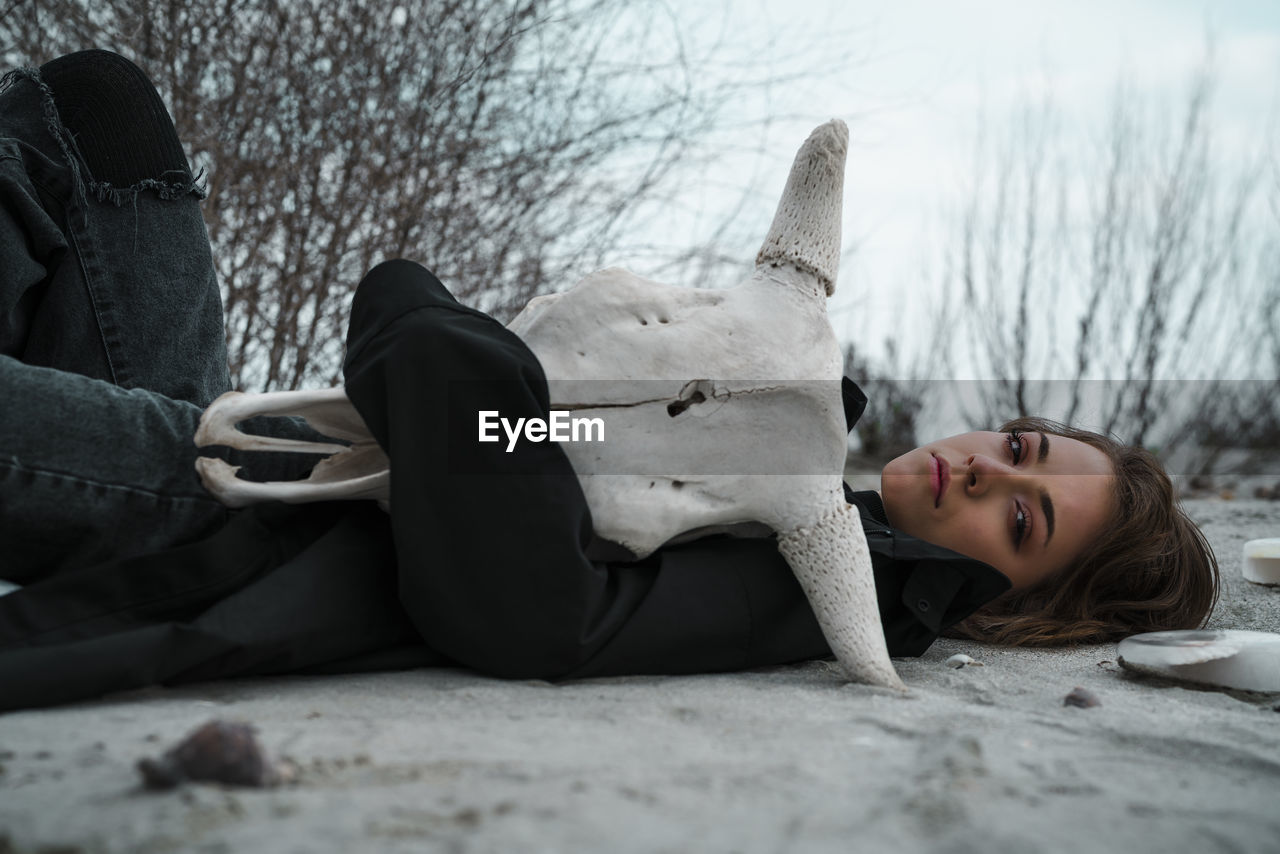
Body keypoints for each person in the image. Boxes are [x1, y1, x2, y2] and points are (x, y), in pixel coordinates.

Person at [0, 51, 1217, 710]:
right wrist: (484, 379)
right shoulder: (798, 454)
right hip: (273, 442)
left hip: (235, 519)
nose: (977, 464)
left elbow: (542, 608)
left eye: (1019, 511)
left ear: (1022, 601)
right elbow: (552, 428)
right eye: (1014, 444)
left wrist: (426, 329)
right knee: (94, 111)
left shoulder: (837, 584)